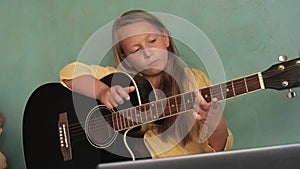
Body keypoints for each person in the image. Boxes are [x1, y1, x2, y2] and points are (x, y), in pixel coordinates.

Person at [59, 9, 233, 160]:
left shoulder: (194, 80)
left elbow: (217, 149)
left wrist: (216, 122)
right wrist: (102, 91)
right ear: (126, 57)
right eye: (136, 50)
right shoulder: (121, 81)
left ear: (165, 39)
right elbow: (70, 73)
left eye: (152, 41)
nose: (148, 53)